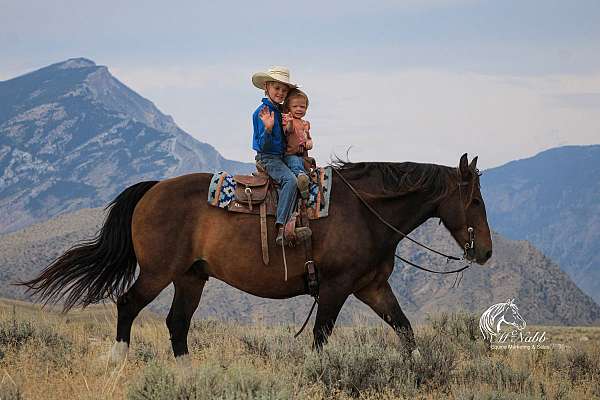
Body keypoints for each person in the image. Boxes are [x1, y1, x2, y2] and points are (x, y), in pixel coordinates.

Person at [251, 66, 311, 245]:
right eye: (277, 88)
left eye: (284, 90)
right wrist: (268, 129)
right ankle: (282, 227)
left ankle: (302, 182)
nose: (280, 92)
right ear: (266, 87)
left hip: (281, 155)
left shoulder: (280, 112)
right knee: (289, 181)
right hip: (268, 157)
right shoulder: (262, 113)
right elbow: (263, 145)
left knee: (299, 168)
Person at [282, 88, 313, 199]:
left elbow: (308, 138)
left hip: (302, 155)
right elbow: (289, 130)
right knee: (295, 163)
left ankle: (304, 182)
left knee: (306, 166)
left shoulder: (305, 123)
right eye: (295, 106)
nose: (299, 109)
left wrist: (309, 143)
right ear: (288, 107)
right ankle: (301, 178)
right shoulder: (287, 119)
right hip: (289, 154)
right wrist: (290, 122)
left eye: (302, 107)